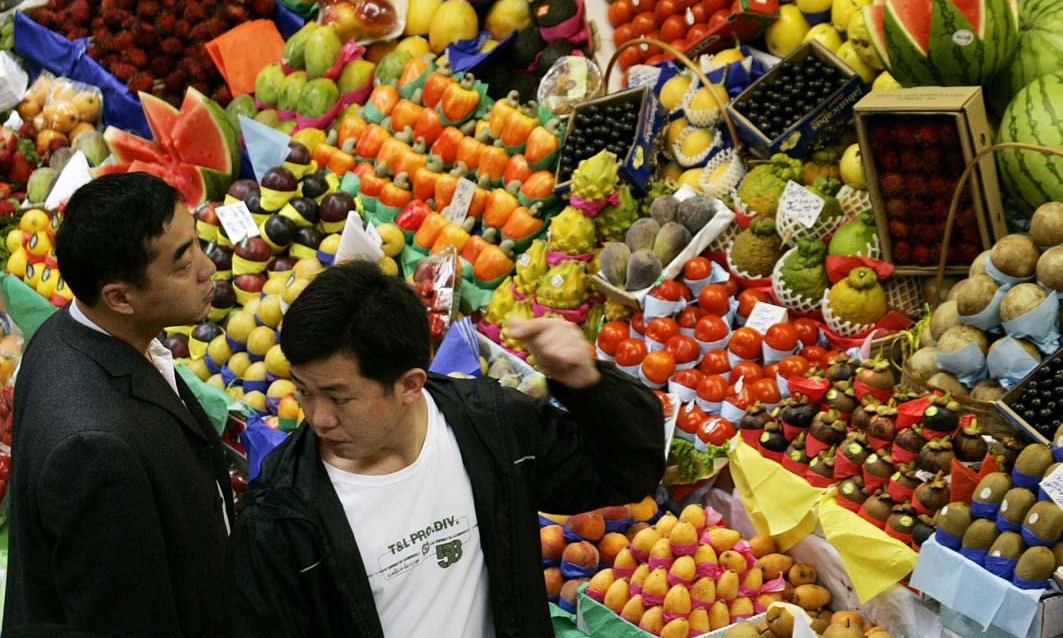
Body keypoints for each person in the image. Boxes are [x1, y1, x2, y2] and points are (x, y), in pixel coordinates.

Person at [227, 260, 666, 637]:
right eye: (304, 391)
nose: (318, 417)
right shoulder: (279, 519)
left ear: (409, 385)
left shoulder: (491, 428)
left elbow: (625, 473)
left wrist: (587, 385)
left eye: (339, 397)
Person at [4, 173, 234, 637]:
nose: (208, 270)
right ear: (120, 297)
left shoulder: (62, 331)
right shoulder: (96, 450)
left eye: (197, 244)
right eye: (183, 263)